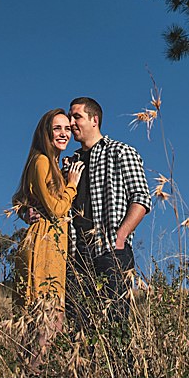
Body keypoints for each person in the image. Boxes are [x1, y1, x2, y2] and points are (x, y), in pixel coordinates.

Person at [63, 96, 152, 350]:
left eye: (76, 116)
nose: (71, 123)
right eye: (70, 117)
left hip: (110, 253)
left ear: (94, 120)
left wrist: (120, 238)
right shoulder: (70, 163)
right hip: (76, 257)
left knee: (116, 328)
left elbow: (141, 199)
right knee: (80, 331)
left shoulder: (120, 152)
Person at [11, 108, 85, 371]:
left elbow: (18, 199)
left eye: (67, 128)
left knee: (39, 320)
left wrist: (25, 210)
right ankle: (31, 371)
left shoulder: (50, 164)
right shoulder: (42, 160)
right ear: (46, 132)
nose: (64, 133)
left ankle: (25, 370)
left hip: (49, 244)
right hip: (44, 246)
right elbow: (56, 209)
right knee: (48, 318)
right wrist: (72, 184)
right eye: (57, 128)